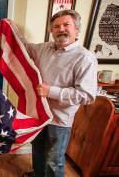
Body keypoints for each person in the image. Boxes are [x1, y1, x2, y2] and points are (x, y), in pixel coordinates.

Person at [21, 10, 97, 177]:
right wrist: (8, 27)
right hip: (39, 114)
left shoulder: (85, 58)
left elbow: (87, 95)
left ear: (77, 29)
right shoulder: (44, 48)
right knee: (38, 151)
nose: (61, 29)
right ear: (51, 30)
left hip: (59, 119)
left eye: (66, 25)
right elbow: (23, 47)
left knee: (54, 160)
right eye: (56, 26)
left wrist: (51, 92)